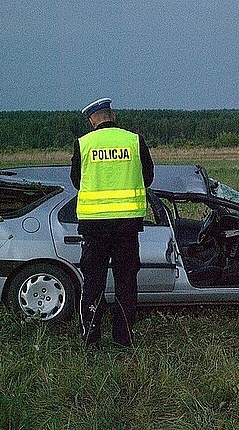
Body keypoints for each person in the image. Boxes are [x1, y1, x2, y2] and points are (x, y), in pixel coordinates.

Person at [70, 98, 154, 348]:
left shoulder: (83, 144)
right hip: (127, 228)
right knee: (126, 285)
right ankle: (124, 339)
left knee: (93, 285)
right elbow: (147, 178)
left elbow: (76, 181)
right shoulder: (133, 140)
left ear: (92, 120)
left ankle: (91, 341)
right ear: (113, 116)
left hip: (94, 229)